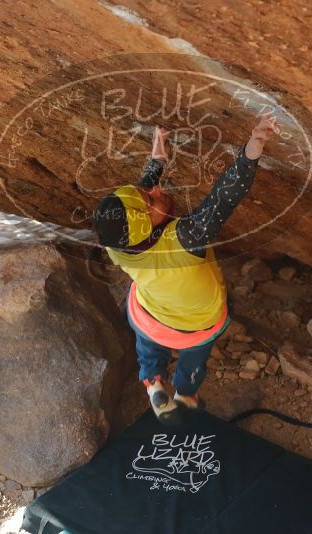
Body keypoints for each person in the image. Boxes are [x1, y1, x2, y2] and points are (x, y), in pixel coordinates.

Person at [92, 115, 278, 425]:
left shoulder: (116, 244)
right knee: (194, 358)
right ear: (146, 225)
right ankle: (186, 393)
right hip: (197, 323)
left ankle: (153, 382)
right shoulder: (186, 238)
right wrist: (252, 148)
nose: (154, 192)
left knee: (149, 348)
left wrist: (157, 158)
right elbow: (225, 196)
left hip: (149, 315)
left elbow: (142, 195)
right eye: (149, 202)